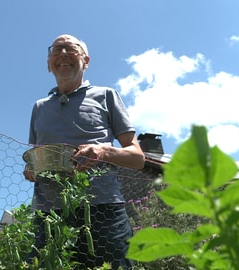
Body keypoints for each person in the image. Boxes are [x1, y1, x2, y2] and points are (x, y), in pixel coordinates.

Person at [23, 34, 145, 269]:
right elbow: (34, 159)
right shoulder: (39, 107)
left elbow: (137, 158)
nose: (63, 54)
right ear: (49, 64)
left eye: (71, 48)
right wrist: (32, 170)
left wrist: (102, 151)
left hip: (103, 209)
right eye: (57, 50)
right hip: (49, 214)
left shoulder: (106, 96)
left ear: (86, 61)